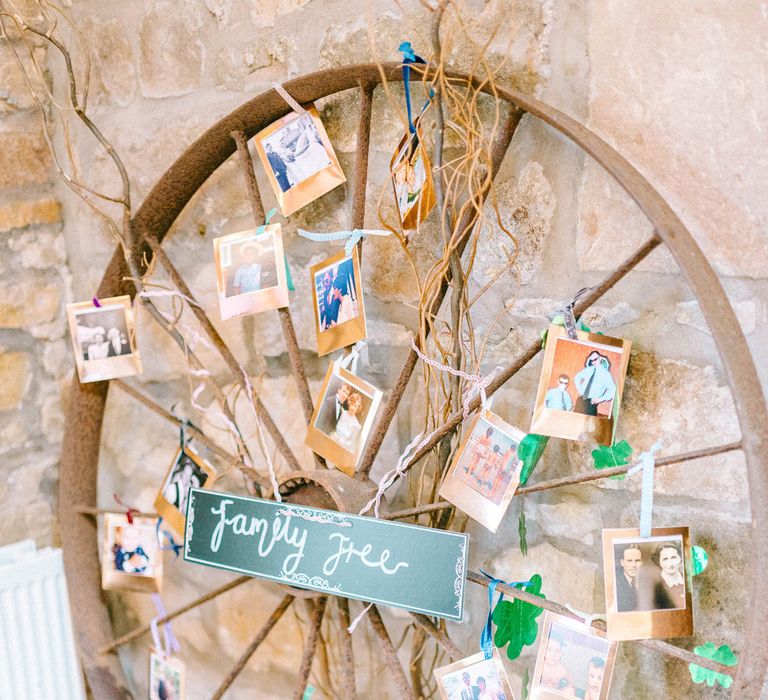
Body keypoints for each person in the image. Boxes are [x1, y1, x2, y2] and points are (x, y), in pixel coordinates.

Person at [284, 117, 330, 184]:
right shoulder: (308, 130)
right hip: (303, 155)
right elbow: (313, 140)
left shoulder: (305, 134)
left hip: (302, 156)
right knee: (317, 149)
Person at [573, 351, 616, 416]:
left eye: (595, 359)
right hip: (580, 400)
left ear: (600, 358)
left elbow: (613, 390)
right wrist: (579, 389)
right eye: (591, 360)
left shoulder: (606, 374)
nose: (593, 362)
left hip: (591, 404)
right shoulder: (588, 369)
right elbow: (577, 377)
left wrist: (601, 399)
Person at [649, 541, 685, 610]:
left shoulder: (688, 580)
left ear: (680, 559)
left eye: (673, 557)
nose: (670, 564)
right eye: (665, 559)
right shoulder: (656, 587)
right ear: (658, 562)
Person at [615, 544, 642, 612]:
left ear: (642, 562)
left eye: (637, 560)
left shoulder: (648, 582)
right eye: (629, 561)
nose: (633, 565)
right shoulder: (615, 584)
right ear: (622, 563)